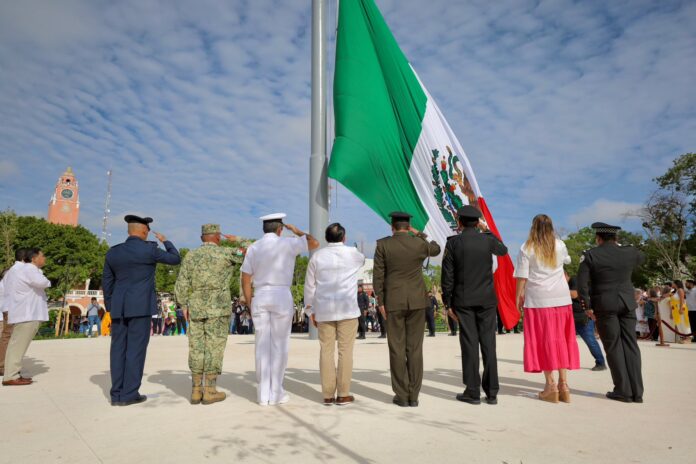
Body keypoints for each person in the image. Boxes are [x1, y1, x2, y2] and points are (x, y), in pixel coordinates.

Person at [241, 213, 319, 406]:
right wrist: (297, 231)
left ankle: (263, 394)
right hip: (281, 294)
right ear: (280, 229)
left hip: (260, 295)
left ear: (263, 229)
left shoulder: (254, 247)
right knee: (279, 345)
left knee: (261, 345)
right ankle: (276, 392)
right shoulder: (288, 243)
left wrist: (250, 303)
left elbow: (245, 277)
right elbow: (314, 243)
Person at [102, 215, 180, 406]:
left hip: (119, 308)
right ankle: (129, 394)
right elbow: (175, 259)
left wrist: (111, 306)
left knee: (118, 349)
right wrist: (165, 241)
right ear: (144, 231)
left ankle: (116, 393)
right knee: (135, 350)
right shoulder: (149, 250)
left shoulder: (113, 252)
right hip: (140, 307)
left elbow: (107, 282)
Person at [441, 205, 508, 405]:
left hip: (464, 300)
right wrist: (486, 228)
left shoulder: (454, 243)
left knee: (469, 345)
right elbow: (503, 250)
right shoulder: (487, 241)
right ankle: (492, 391)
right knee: (489, 344)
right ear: (477, 222)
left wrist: (447, 302)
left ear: (459, 222)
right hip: (487, 300)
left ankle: (472, 391)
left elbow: (448, 276)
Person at [374, 211, 440, 408]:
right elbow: (435, 249)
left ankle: (401, 395)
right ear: (407, 226)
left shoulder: (382, 244)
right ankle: (414, 395)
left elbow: (378, 275)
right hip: (418, 301)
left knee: (396, 348)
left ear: (392, 226)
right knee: (415, 349)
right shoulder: (419, 244)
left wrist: (380, 301)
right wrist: (419, 233)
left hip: (393, 301)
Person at [174, 223, 245, 405]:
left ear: (201, 238)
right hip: (218, 307)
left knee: (196, 347)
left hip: (196, 306)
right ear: (218, 237)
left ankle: (196, 390)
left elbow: (181, 282)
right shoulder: (225, 254)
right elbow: (250, 250)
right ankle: (210, 390)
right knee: (214, 347)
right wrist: (237, 240)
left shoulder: (191, 255)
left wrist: (182, 304)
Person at [514, 215, 580, 403]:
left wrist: (518, 296)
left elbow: (522, 276)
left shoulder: (527, 247)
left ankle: (550, 386)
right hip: (561, 298)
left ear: (533, 227)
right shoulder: (559, 244)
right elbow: (567, 260)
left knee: (544, 339)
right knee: (561, 338)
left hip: (538, 299)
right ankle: (564, 384)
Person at [577, 222, 645, 403]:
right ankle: (637, 392)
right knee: (631, 345)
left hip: (605, 305)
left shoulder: (590, 255)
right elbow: (641, 258)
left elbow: (582, 285)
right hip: (627, 302)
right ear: (616, 238)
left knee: (613, 345)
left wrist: (587, 307)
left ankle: (623, 390)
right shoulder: (630, 252)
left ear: (598, 238)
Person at [304, 223, 365, 406]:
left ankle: (328, 395)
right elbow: (362, 260)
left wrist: (309, 311)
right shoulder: (353, 254)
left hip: (324, 310)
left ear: (326, 238)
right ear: (344, 238)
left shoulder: (317, 257)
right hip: (347, 310)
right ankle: (343, 393)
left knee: (326, 351)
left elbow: (310, 286)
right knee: (346, 352)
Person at [3, 248, 50, 386]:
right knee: (17, 346)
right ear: (34, 258)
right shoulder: (29, 270)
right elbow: (44, 282)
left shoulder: (19, 270)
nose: (44, 258)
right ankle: (11, 375)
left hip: (23, 312)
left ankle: (13, 373)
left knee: (16, 345)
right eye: (42, 255)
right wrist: (42, 276)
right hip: (27, 313)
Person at [568, 275, 606, 371]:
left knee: (591, 341)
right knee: (567, 341)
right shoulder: (568, 283)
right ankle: (569, 362)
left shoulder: (574, 279)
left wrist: (556, 291)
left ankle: (601, 363)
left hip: (583, 318)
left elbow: (575, 294)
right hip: (571, 318)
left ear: (564, 275)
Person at [0, 248, 27, 376]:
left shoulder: (10, 272)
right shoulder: (18, 272)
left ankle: (4, 366)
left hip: (7, 308)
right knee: (13, 339)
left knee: (7, 338)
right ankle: (8, 367)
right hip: (14, 309)